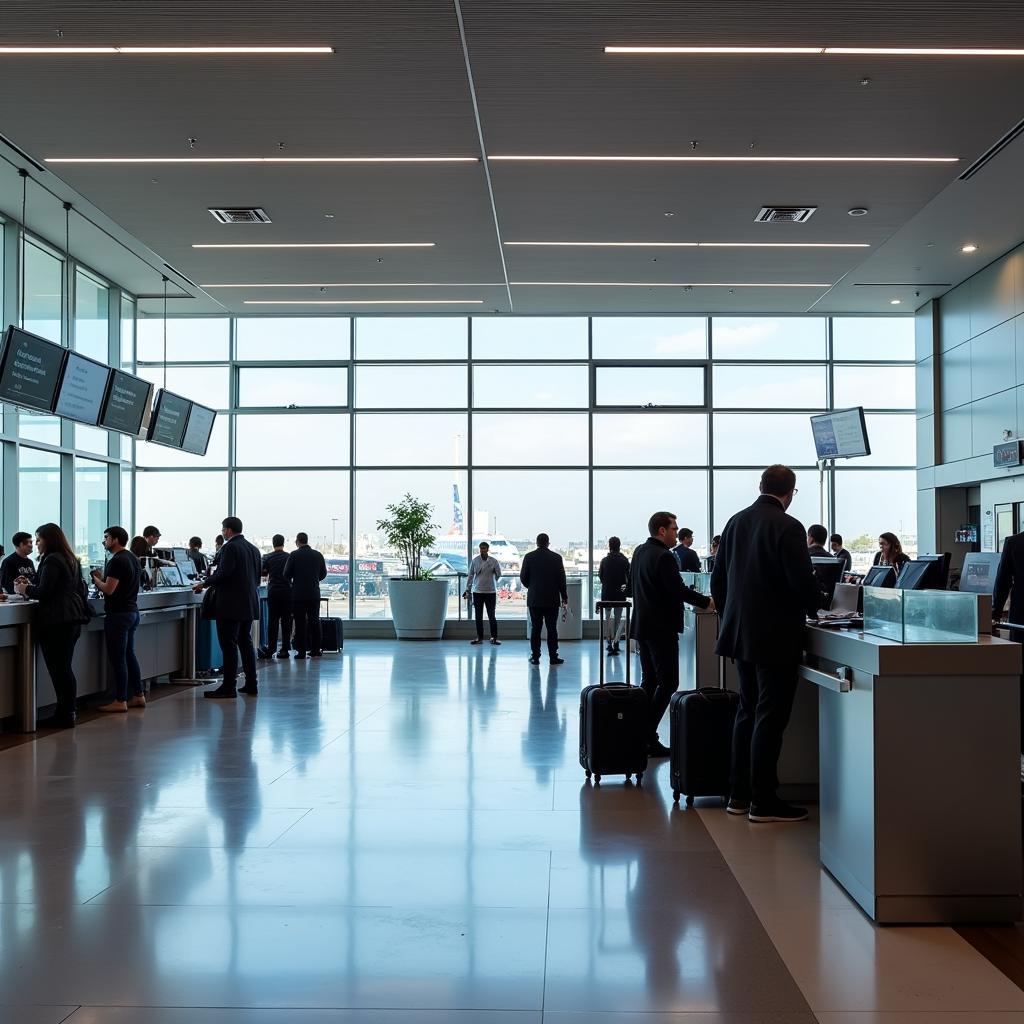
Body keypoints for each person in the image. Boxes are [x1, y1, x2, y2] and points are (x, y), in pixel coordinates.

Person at [711, 465, 821, 823]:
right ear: (790, 492)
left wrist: (732, 614)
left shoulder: (735, 521)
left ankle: (738, 796)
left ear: (761, 486)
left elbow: (719, 580)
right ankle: (763, 801)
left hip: (740, 633)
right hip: (775, 636)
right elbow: (801, 582)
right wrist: (816, 608)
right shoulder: (788, 527)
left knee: (748, 710)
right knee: (770, 716)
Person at [630, 512, 713, 756]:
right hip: (661, 628)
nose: (677, 533)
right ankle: (647, 733)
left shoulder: (640, 552)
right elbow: (676, 590)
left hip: (643, 625)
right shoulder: (664, 556)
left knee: (650, 680)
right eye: (674, 529)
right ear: (662, 530)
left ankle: (640, 734)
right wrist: (707, 601)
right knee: (668, 682)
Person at [14, 523, 90, 729]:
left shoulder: (52, 560)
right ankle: (67, 712)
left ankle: (64, 714)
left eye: (38, 539)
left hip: (57, 620)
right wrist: (30, 585)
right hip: (71, 618)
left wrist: (24, 589)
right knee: (64, 668)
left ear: (48, 539)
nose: (36, 544)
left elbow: (45, 591)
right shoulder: (69, 558)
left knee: (59, 669)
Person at [193, 516, 262, 697]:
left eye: (223, 530)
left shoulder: (230, 547)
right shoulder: (253, 549)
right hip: (248, 602)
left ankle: (228, 687)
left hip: (231, 604)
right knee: (245, 643)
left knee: (228, 644)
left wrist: (204, 584)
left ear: (229, 530)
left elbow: (224, 573)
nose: (222, 533)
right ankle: (251, 683)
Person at [91, 526, 144, 713]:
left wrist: (96, 579)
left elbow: (109, 589)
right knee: (129, 655)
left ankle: (120, 699)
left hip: (118, 615)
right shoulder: (132, 558)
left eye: (106, 537)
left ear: (114, 539)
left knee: (118, 658)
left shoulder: (116, 561)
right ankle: (138, 695)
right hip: (132, 612)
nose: (104, 541)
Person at [520, 533, 568, 665]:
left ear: (536, 542)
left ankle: (535, 656)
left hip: (535, 599)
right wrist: (564, 596)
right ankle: (553, 656)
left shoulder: (529, 557)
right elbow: (561, 580)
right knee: (552, 628)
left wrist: (532, 586)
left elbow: (523, 578)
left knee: (536, 628)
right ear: (548, 543)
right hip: (552, 599)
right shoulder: (556, 558)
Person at [283, 532, 327, 659]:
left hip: (298, 594)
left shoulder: (294, 555)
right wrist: (314, 579)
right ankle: (316, 649)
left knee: (300, 622)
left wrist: (294, 580)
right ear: (307, 541)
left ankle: (301, 651)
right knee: (314, 621)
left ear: (297, 542)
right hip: (314, 593)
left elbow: (286, 574)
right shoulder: (318, 555)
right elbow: (323, 573)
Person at [261, 533, 292, 659]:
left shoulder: (267, 557)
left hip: (273, 591)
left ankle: (271, 649)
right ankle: (285, 649)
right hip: (287, 591)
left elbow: (263, 572)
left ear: (273, 544)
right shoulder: (290, 557)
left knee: (272, 621)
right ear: (283, 543)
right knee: (286, 621)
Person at [465, 541, 502, 646]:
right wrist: (468, 589)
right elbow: (470, 575)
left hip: (491, 591)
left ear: (488, 549)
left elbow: (499, 574)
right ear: (479, 549)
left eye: (484, 548)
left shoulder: (494, 561)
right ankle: (479, 637)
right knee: (478, 616)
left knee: (492, 616)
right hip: (478, 592)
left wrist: (494, 575)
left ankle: (494, 637)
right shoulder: (475, 561)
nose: (482, 550)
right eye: (481, 548)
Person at [598, 536, 630, 655]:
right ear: (619, 545)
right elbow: (628, 578)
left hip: (606, 593)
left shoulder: (604, 561)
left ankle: (608, 641)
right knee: (617, 619)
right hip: (620, 594)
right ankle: (616, 642)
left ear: (609, 546)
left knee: (607, 618)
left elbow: (600, 576)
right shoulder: (624, 560)